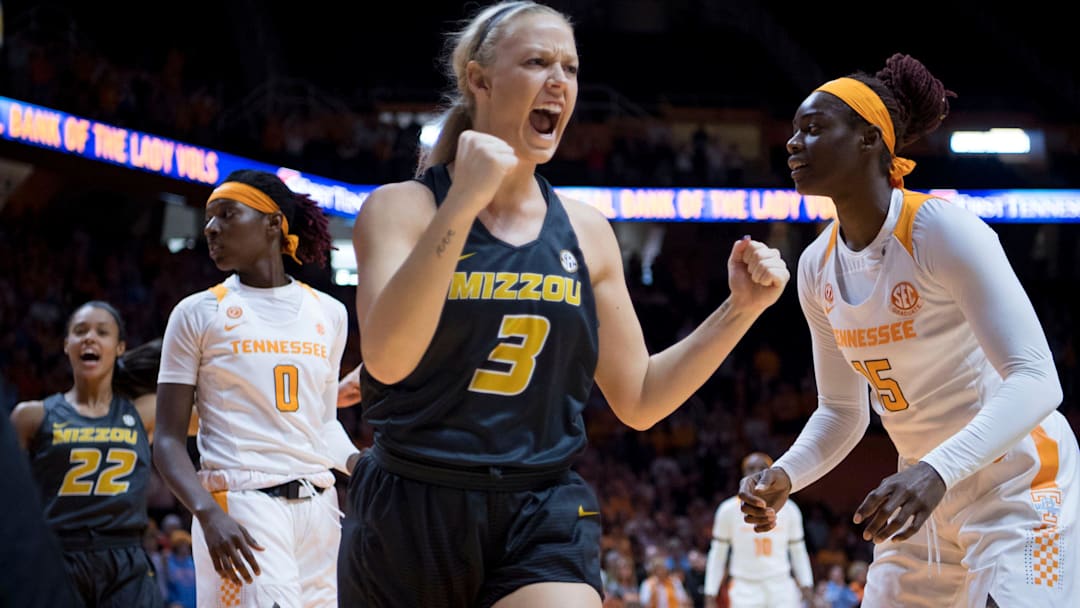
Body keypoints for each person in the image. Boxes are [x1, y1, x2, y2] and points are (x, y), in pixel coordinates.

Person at [338, 2, 790, 607]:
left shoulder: (586, 230)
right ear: (479, 79)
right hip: (412, 501)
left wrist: (741, 310)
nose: (559, 81)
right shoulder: (400, 209)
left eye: (570, 68)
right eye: (536, 62)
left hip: (540, 504)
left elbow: (641, 398)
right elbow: (388, 361)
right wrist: (464, 199)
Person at [738, 53, 1079, 607]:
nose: (794, 143)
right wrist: (786, 474)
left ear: (871, 139)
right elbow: (842, 412)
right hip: (918, 494)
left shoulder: (940, 229)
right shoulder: (816, 266)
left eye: (815, 128)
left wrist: (935, 470)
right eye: (795, 131)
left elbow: (1038, 380)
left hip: (1020, 485)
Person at [154, 169, 362, 607]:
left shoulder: (329, 312)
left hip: (320, 507)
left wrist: (362, 468)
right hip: (242, 503)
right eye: (209, 218)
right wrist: (206, 512)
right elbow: (168, 440)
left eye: (227, 214)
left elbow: (323, 426)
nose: (210, 228)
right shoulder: (197, 313)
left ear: (272, 224)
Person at [9, 301, 165, 607]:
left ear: (119, 347)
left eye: (102, 332)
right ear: (67, 345)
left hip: (125, 560)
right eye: (80, 332)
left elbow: (215, 407)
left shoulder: (143, 411)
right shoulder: (31, 416)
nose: (89, 338)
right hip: (58, 555)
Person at [705, 452, 812, 608]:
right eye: (751, 468)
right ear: (743, 474)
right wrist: (710, 592)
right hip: (744, 586)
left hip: (781, 584)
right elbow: (717, 554)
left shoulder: (790, 509)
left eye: (762, 468)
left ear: (771, 471)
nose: (756, 472)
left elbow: (798, 550)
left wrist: (806, 584)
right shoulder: (727, 510)